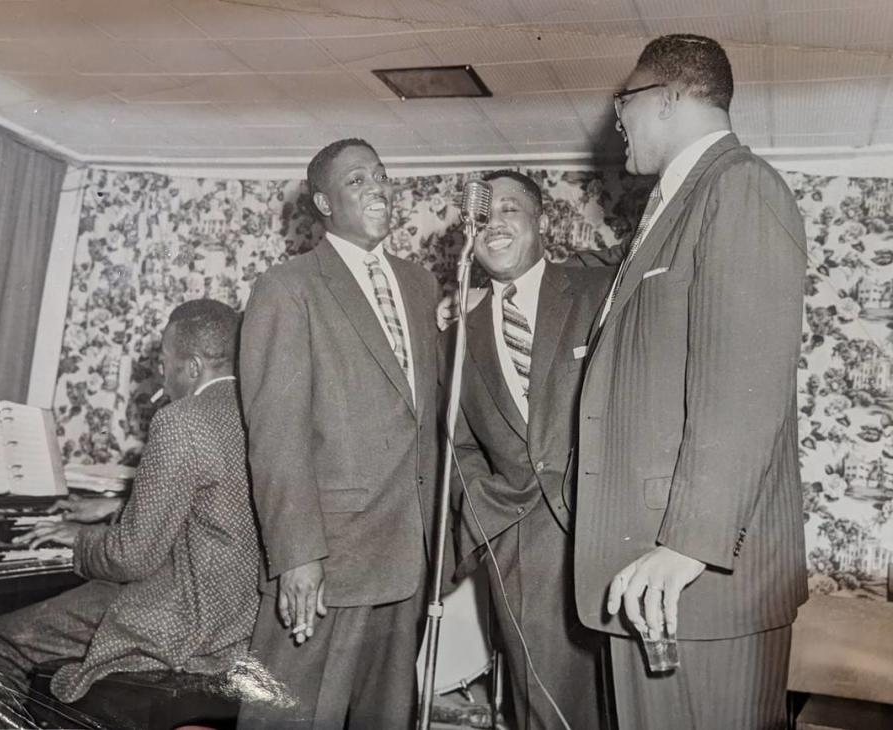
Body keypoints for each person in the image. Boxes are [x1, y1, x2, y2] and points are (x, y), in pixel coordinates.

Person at [573, 34, 808, 729]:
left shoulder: (739, 187)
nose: (618, 124)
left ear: (668, 99)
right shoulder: (677, 207)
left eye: (626, 107)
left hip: (694, 577)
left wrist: (687, 544)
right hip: (656, 577)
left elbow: (745, 381)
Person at [0, 299, 261, 729]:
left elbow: (131, 558)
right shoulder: (256, 411)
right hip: (237, 619)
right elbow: (222, 502)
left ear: (192, 366)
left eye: (164, 362)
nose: (159, 375)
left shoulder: (181, 419)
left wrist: (76, 536)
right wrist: (120, 505)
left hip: (184, 620)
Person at [237, 139, 440, 729]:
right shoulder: (287, 286)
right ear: (323, 202)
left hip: (408, 552)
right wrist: (298, 555)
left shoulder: (420, 284)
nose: (378, 185)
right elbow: (276, 434)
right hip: (328, 559)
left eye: (381, 173)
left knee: (386, 717)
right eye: (357, 180)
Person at [448, 170, 615, 730]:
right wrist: (489, 513)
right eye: (480, 216)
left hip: (612, 534)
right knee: (544, 710)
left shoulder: (599, 292)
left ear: (541, 220)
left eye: (509, 210)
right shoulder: (458, 336)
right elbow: (456, 443)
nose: (492, 224)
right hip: (521, 547)